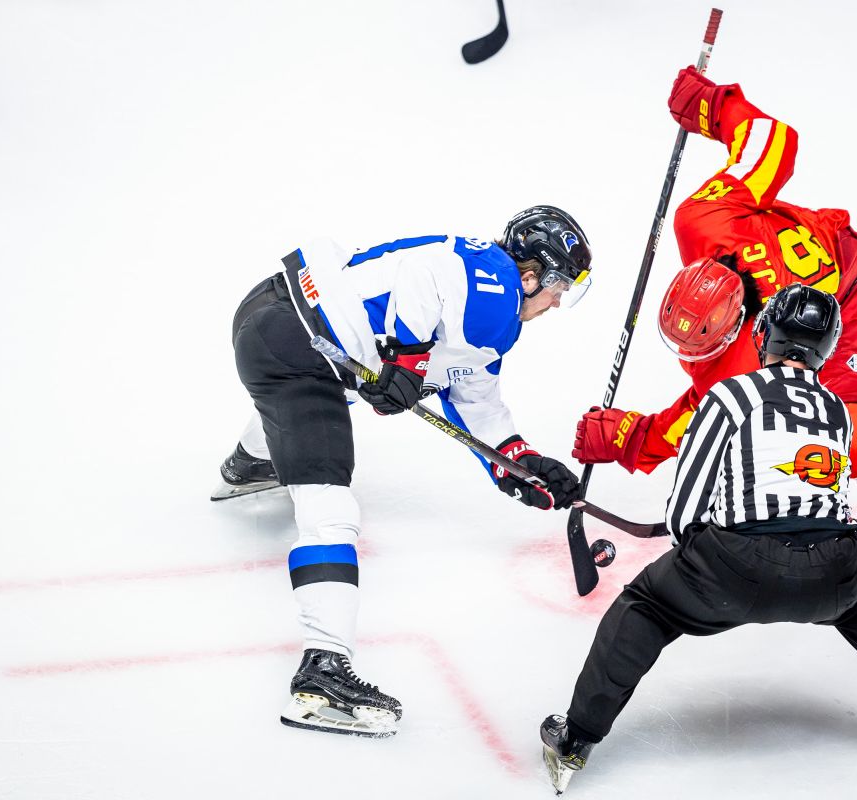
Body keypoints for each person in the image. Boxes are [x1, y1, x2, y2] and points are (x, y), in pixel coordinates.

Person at [570, 68, 857, 639]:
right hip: (794, 308)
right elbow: (768, 142)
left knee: (856, 430)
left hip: (853, 293)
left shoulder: (746, 363)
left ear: (742, 330)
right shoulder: (703, 220)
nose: (695, 357)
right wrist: (712, 110)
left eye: (707, 347)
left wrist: (631, 438)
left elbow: (705, 418)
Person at [542, 285, 857, 794]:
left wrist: (702, 558)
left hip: (735, 569)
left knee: (645, 605)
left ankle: (576, 738)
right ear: (827, 347)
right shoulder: (836, 409)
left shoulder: (730, 394)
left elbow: (684, 511)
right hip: (837, 570)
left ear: (764, 336)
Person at [214, 206, 590, 737]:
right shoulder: (495, 283)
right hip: (304, 344)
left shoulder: (489, 305)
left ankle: (251, 463)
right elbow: (423, 274)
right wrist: (408, 359)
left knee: (329, 395)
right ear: (532, 275)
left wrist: (520, 463)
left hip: (279, 325)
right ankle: (321, 673)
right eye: (559, 289)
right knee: (331, 512)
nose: (556, 303)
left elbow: (476, 402)